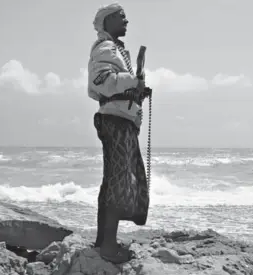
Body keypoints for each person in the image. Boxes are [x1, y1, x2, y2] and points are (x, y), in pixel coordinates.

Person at [87, 3, 151, 264]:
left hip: (118, 119)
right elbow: (99, 81)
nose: (127, 21)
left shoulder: (114, 49)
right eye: (121, 17)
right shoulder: (105, 48)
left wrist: (136, 92)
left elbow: (113, 84)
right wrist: (133, 83)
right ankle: (108, 248)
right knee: (118, 182)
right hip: (115, 121)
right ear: (108, 20)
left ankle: (104, 241)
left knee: (114, 180)